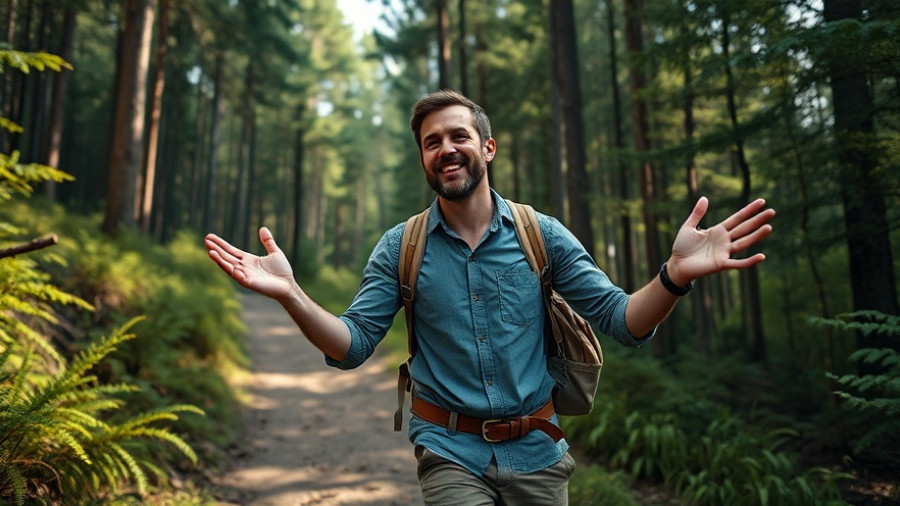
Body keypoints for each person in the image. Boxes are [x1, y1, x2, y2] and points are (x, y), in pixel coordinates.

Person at [204, 89, 775, 505]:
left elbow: (623, 320)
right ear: (423, 158)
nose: (446, 149)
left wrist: (674, 276)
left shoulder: (540, 235)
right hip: (448, 451)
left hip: (540, 453)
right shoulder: (401, 247)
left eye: (458, 136)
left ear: (488, 148)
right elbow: (352, 346)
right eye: (432, 142)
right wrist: (291, 294)